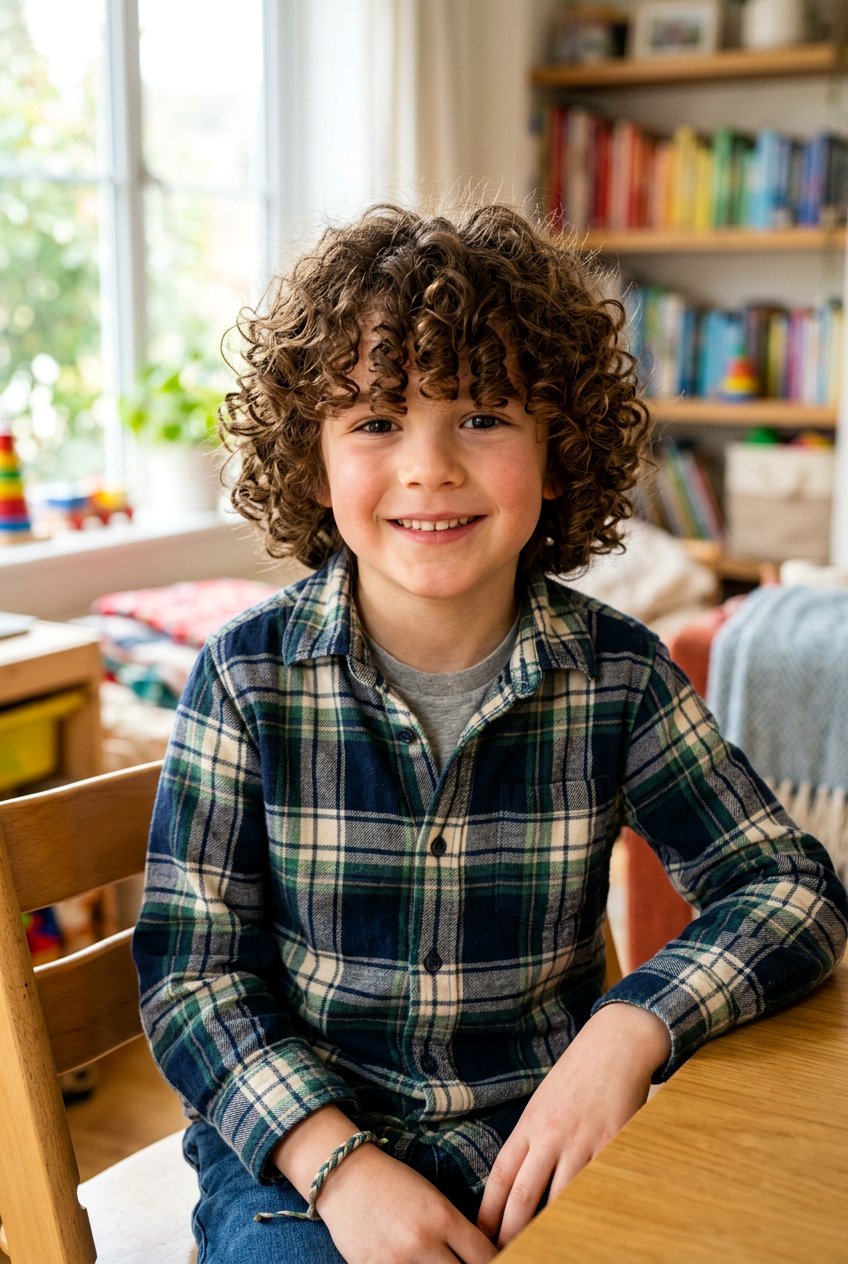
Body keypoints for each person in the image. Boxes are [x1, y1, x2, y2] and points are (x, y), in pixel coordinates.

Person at [133, 203, 848, 1264]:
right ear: (312, 461)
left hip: (543, 1133)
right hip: (299, 1165)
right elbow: (193, 977)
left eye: (481, 416)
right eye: (376, 421)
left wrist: (627, 1028)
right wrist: (341, 1165)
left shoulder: (616, 674)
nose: (428, 467)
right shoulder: (245, 679)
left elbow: (790, 890)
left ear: (557, 449)